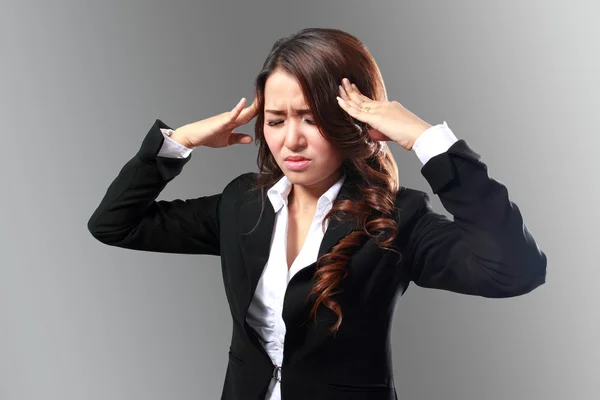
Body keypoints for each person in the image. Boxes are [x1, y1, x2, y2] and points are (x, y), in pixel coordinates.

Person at [87, 28, 547, 400]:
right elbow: (115, 223)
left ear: (354, 121)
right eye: (276, 120)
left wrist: (426, 142)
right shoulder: (242, 203)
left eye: (312, 118)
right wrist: (179, 141)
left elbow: (515, 271)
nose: (292, 140)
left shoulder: (397, 218)